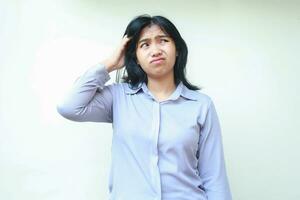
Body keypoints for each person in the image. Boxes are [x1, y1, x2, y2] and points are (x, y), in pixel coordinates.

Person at [57, 14, 232, 200]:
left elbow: (214, 176)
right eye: (145, 45)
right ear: (136, 58)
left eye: (163, 41)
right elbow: (69, 107)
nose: (155, 50)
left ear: (177, 49)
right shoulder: (118, 97)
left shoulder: (201, 105)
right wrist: (110, 63)